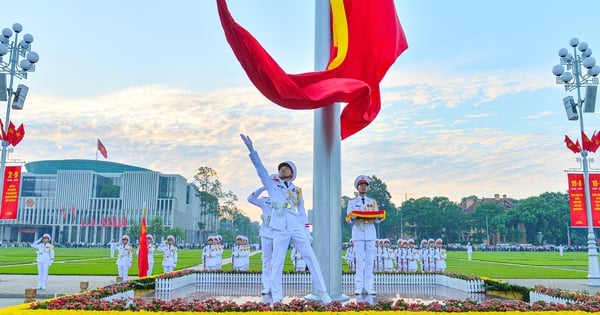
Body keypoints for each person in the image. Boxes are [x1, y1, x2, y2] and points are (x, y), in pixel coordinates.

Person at [240, 134, 331, 304]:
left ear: (292, 173)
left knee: (310, 257)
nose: (282, 169)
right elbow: (261, 170)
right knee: (277, 261)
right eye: (281, 167)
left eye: (286, 168)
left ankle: (323, 293)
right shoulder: (273, 185)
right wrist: (252, 151)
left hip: (296, 225)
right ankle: (276, 296)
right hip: (279, 226)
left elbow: (302, 212)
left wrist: (306, 231)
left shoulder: (297, 191)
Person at [345, 175, 385, 295]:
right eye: (361, 185)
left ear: (367, 187)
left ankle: (369, 286)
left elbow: (377, 220)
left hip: (370, 232)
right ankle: (359, 286)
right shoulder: (352, 202)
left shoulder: (372, 202)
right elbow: (348, 219)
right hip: (358, 232)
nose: (363, 187)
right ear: (358, 187)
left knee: (369, 261)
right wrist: (355, 216)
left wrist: (379, 217)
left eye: (365, 185)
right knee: (360, 261)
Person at [247, 185, 274, 295]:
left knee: (277, 260)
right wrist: (263, 187)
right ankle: (267, 286)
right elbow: (250, 199)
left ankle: (276, 285)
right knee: (266, 261)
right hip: (267, 232)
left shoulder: (283, 198)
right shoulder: (264, 200)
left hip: (280, 232)